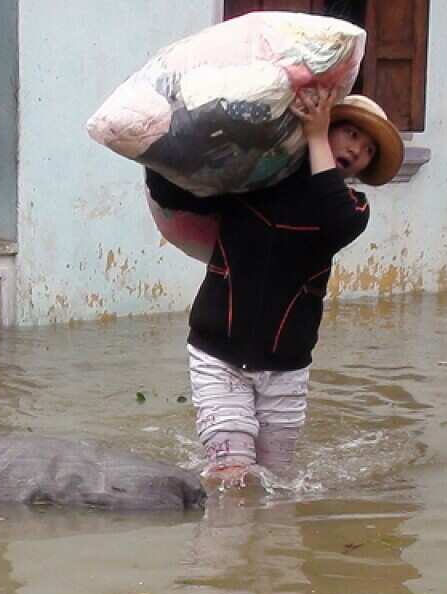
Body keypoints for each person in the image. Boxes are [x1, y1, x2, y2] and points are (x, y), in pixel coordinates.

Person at [145, 89, 404, 492]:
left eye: (368, 149)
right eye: (351, 133)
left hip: (287, 369)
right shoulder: (254, 181)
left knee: (279, 487)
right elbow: (173, 194)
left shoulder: (353, 210)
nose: (357, 149)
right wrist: (160, 142)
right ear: (326, 125)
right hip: (219, 356)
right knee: (232, 482)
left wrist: (318, 137)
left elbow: (331, 218)